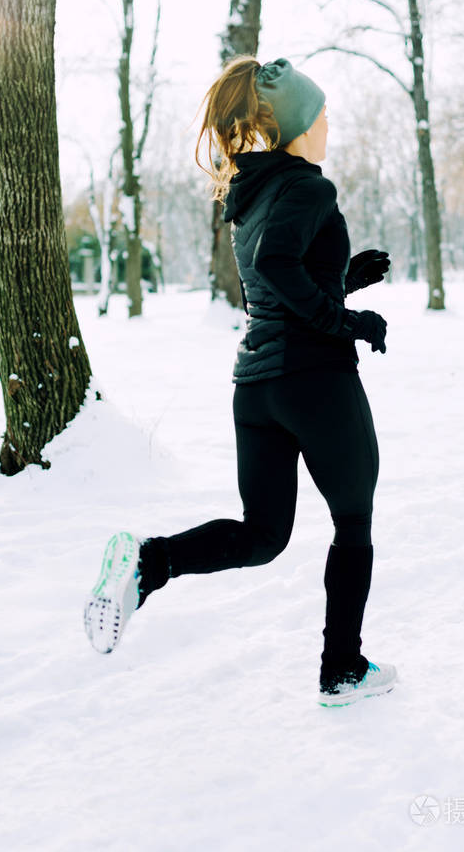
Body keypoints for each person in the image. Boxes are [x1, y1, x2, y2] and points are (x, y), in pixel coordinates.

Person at [83, 56, 398, 707]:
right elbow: (278, 268)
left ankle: (148, 564)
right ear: (299, 125)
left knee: (262, 534)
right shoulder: (308, 188)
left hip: (258, 389)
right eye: (322, 115)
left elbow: (274, 283)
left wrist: (344, 280)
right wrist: (346, 321)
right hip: (315, 381)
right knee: (353, 521)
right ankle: (342, 670)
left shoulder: (252, 192)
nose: (328, 125)